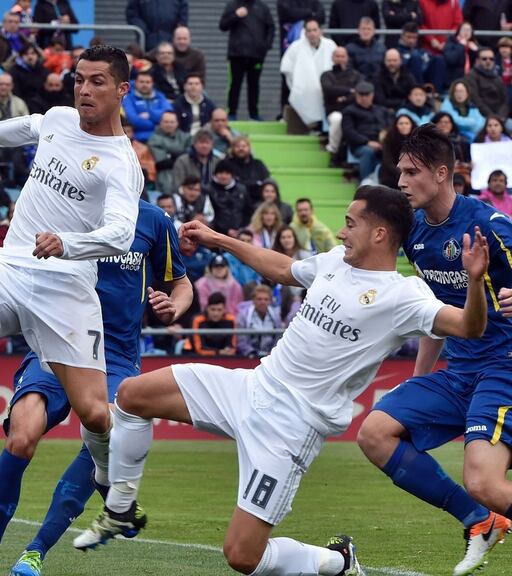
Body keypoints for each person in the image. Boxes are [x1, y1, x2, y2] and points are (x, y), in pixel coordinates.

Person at [74, 185, 490, 576]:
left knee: (242, 556)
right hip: (251, 387)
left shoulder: (404, 295)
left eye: (350, 224)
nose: (341, 232)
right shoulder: (334, 262)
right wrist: (218, 239)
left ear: (379, 234)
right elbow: (282, 268)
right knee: (132, 394)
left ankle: (338, 561)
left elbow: (468, 327)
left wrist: (473, 282)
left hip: (290, 428)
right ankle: (121, 508)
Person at [0, 46, 141, 476]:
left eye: (97, 81)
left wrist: (67, 243)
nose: (84, 89)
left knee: (95, 413)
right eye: (79, 80)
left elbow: (121, 235)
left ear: (122, 90)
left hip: (66, 287)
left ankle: (108, 477)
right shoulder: (60, 119)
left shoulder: (121, 163)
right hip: (12, 266)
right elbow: (27, 126)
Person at [0, 198, 191, 576]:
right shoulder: (64, 206)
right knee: (21, 436)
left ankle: (35, 552)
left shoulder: (153, 220)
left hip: (115, 356)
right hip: (57, 338)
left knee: (103, 433)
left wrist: (175, 306)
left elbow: (181, 283)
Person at [358, 125, 512, 576]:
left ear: (442, 173)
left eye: (412, 172)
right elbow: (436, 315)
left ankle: (485, 506)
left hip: (503, 368)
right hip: (459, 372)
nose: (401, 182)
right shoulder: (416, 235)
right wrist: (420, 380)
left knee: (483, 480)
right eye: (399, 172)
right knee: (374, 433)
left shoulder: (489, 225)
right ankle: (480, 521)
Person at [219, 0, 275, 121]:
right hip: (237, 54)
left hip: (257, 55)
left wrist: (266, 46)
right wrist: (236, 15)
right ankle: (232, 112)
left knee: (254, 84)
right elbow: (223, 25)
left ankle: (254, 114)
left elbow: (271, 27)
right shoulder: (233, 5)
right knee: (235, 84)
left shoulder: (262, 7)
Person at [280, 17, 337, 128]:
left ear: (320, 31)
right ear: (305, 33)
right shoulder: (295, 47)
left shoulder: (330, 45)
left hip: (325, 90)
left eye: (314, 30)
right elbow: (287, 69)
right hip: (303, 91)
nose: (312, 34)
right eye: (309, 31)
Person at [342, 81, 389, 182]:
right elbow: (348, 132)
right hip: (360, 145)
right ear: (356, 95)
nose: (364, 98)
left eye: (366, 94)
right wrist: (367, 142)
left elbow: (388, 127)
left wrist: (384, 141)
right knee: (368, 152)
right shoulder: (349, 111)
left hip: (381, 143)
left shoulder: (381, 110)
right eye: (361, 94)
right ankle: (365, 183)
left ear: (372, 95)